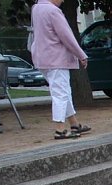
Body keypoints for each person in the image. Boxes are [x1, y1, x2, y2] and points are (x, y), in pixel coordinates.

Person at [29, 0, 91, 140]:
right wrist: (81, 54)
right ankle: (59, 129)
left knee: (64, 92)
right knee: (61, 94)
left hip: (42, 58)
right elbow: (66, 36)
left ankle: (74, 123)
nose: (63, 0)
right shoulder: (53, 11)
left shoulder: (36, 8)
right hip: (56, 58)